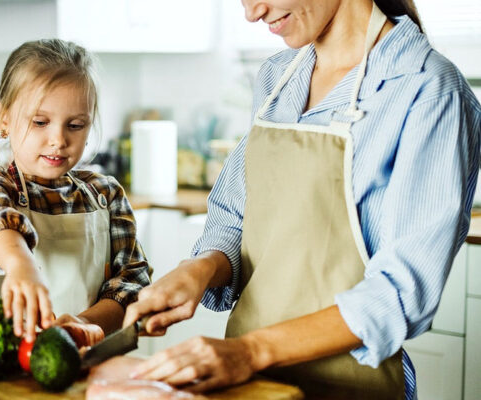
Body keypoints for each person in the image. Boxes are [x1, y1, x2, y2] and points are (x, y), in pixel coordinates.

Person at [122, 0, 481, 398]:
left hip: (348, 388)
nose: (252, 12)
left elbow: (399, 295)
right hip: (255, 387)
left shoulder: (427, 89)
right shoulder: (278, 77)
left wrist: (250, 351)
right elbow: (237, 221)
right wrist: (200, 269)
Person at [0, 39, 150, 346]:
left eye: (75, 125)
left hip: (91, 360)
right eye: (40, 122)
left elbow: (131, 286)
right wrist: (21, 265)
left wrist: (83, 326)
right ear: (4, 120)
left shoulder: (107, 195)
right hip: (10, 365)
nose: (58, 139)